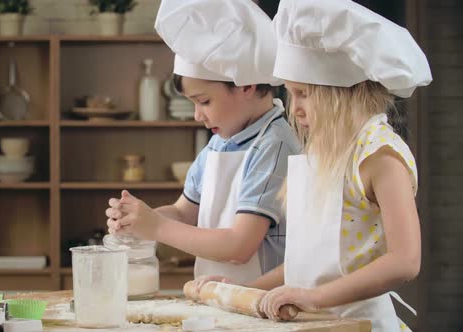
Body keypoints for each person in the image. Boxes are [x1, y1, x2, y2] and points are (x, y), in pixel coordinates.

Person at [194, 0, 432, 330]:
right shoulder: (324, 153)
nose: (296, 109)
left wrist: (315, 297)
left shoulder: (381, 156)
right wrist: (243, 291)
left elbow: (405, 261)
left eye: (304, 94)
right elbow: (305, 266)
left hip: (361, 324)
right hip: (314, 323)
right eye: (291, 95)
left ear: (344, 92)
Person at [105, 0, 301, 285]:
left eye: (204, 101)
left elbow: (239, 246)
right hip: (224, 298)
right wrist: (137, 220)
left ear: (246, 85)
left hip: (264, 301)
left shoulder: (275, 145)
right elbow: (184, 212)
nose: (197, 115)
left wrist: (156, 226)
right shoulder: (218, 145)